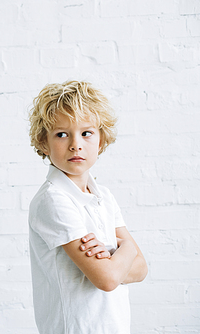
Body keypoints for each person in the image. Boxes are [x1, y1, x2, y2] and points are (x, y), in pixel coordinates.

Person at [27, 81, 148, 334]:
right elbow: (106, 279)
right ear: (43, 142)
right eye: (62, 134)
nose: (76, 145)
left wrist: (114, 257)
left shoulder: (103, 196)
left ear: (101, 139)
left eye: (86, 133)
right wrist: (125, 247)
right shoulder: (54, 200)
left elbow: (141, 269)